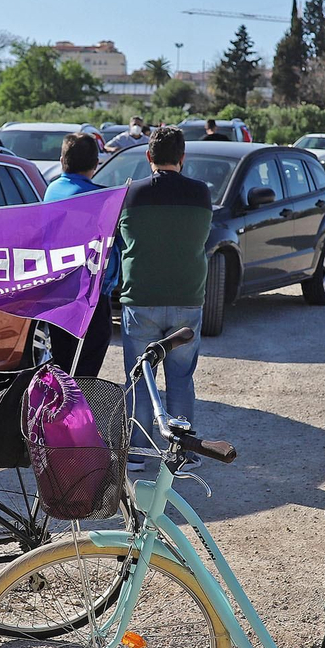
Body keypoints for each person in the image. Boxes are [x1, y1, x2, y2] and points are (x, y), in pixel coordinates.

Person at [116, 127, 213, 470]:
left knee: (141, 378)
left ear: (148, 157)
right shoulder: (201, 194)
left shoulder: (130, 194)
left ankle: (139, 453)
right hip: (188, 296)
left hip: (140, 296)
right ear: (182, 158)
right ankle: (182, 451)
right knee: (181, 376)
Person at [43, 133, 119, 377]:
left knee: (62, 366)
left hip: (57, 292)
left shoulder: (52, 189)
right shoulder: (99, 198)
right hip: (89, 297)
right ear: (95, 164)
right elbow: (111, 251)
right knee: (85, 373)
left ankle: (59, 412)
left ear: (62, 159)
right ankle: (77, 414)